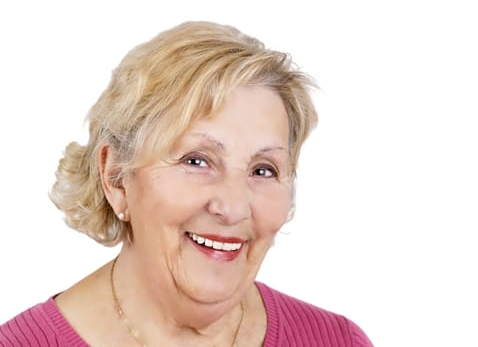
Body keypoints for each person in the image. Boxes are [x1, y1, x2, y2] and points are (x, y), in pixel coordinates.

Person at [0, 21, 373, 346]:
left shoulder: (338, 340)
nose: (233, 208)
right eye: (196, 161)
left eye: (263, 170)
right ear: (115, 177)